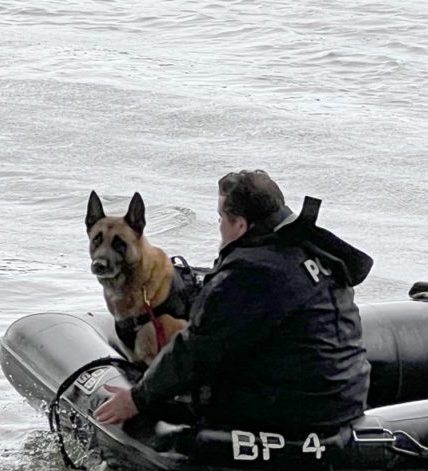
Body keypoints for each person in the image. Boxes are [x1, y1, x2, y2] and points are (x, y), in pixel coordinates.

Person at [94, 169, 373, 433]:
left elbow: (197, 351)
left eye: (220, 218)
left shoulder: (248, 274)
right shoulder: (312, 247)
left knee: (188, 392)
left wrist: (137, 398)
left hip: (298, 411)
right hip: (347, 397)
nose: (220, 226)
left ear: (239, 225)